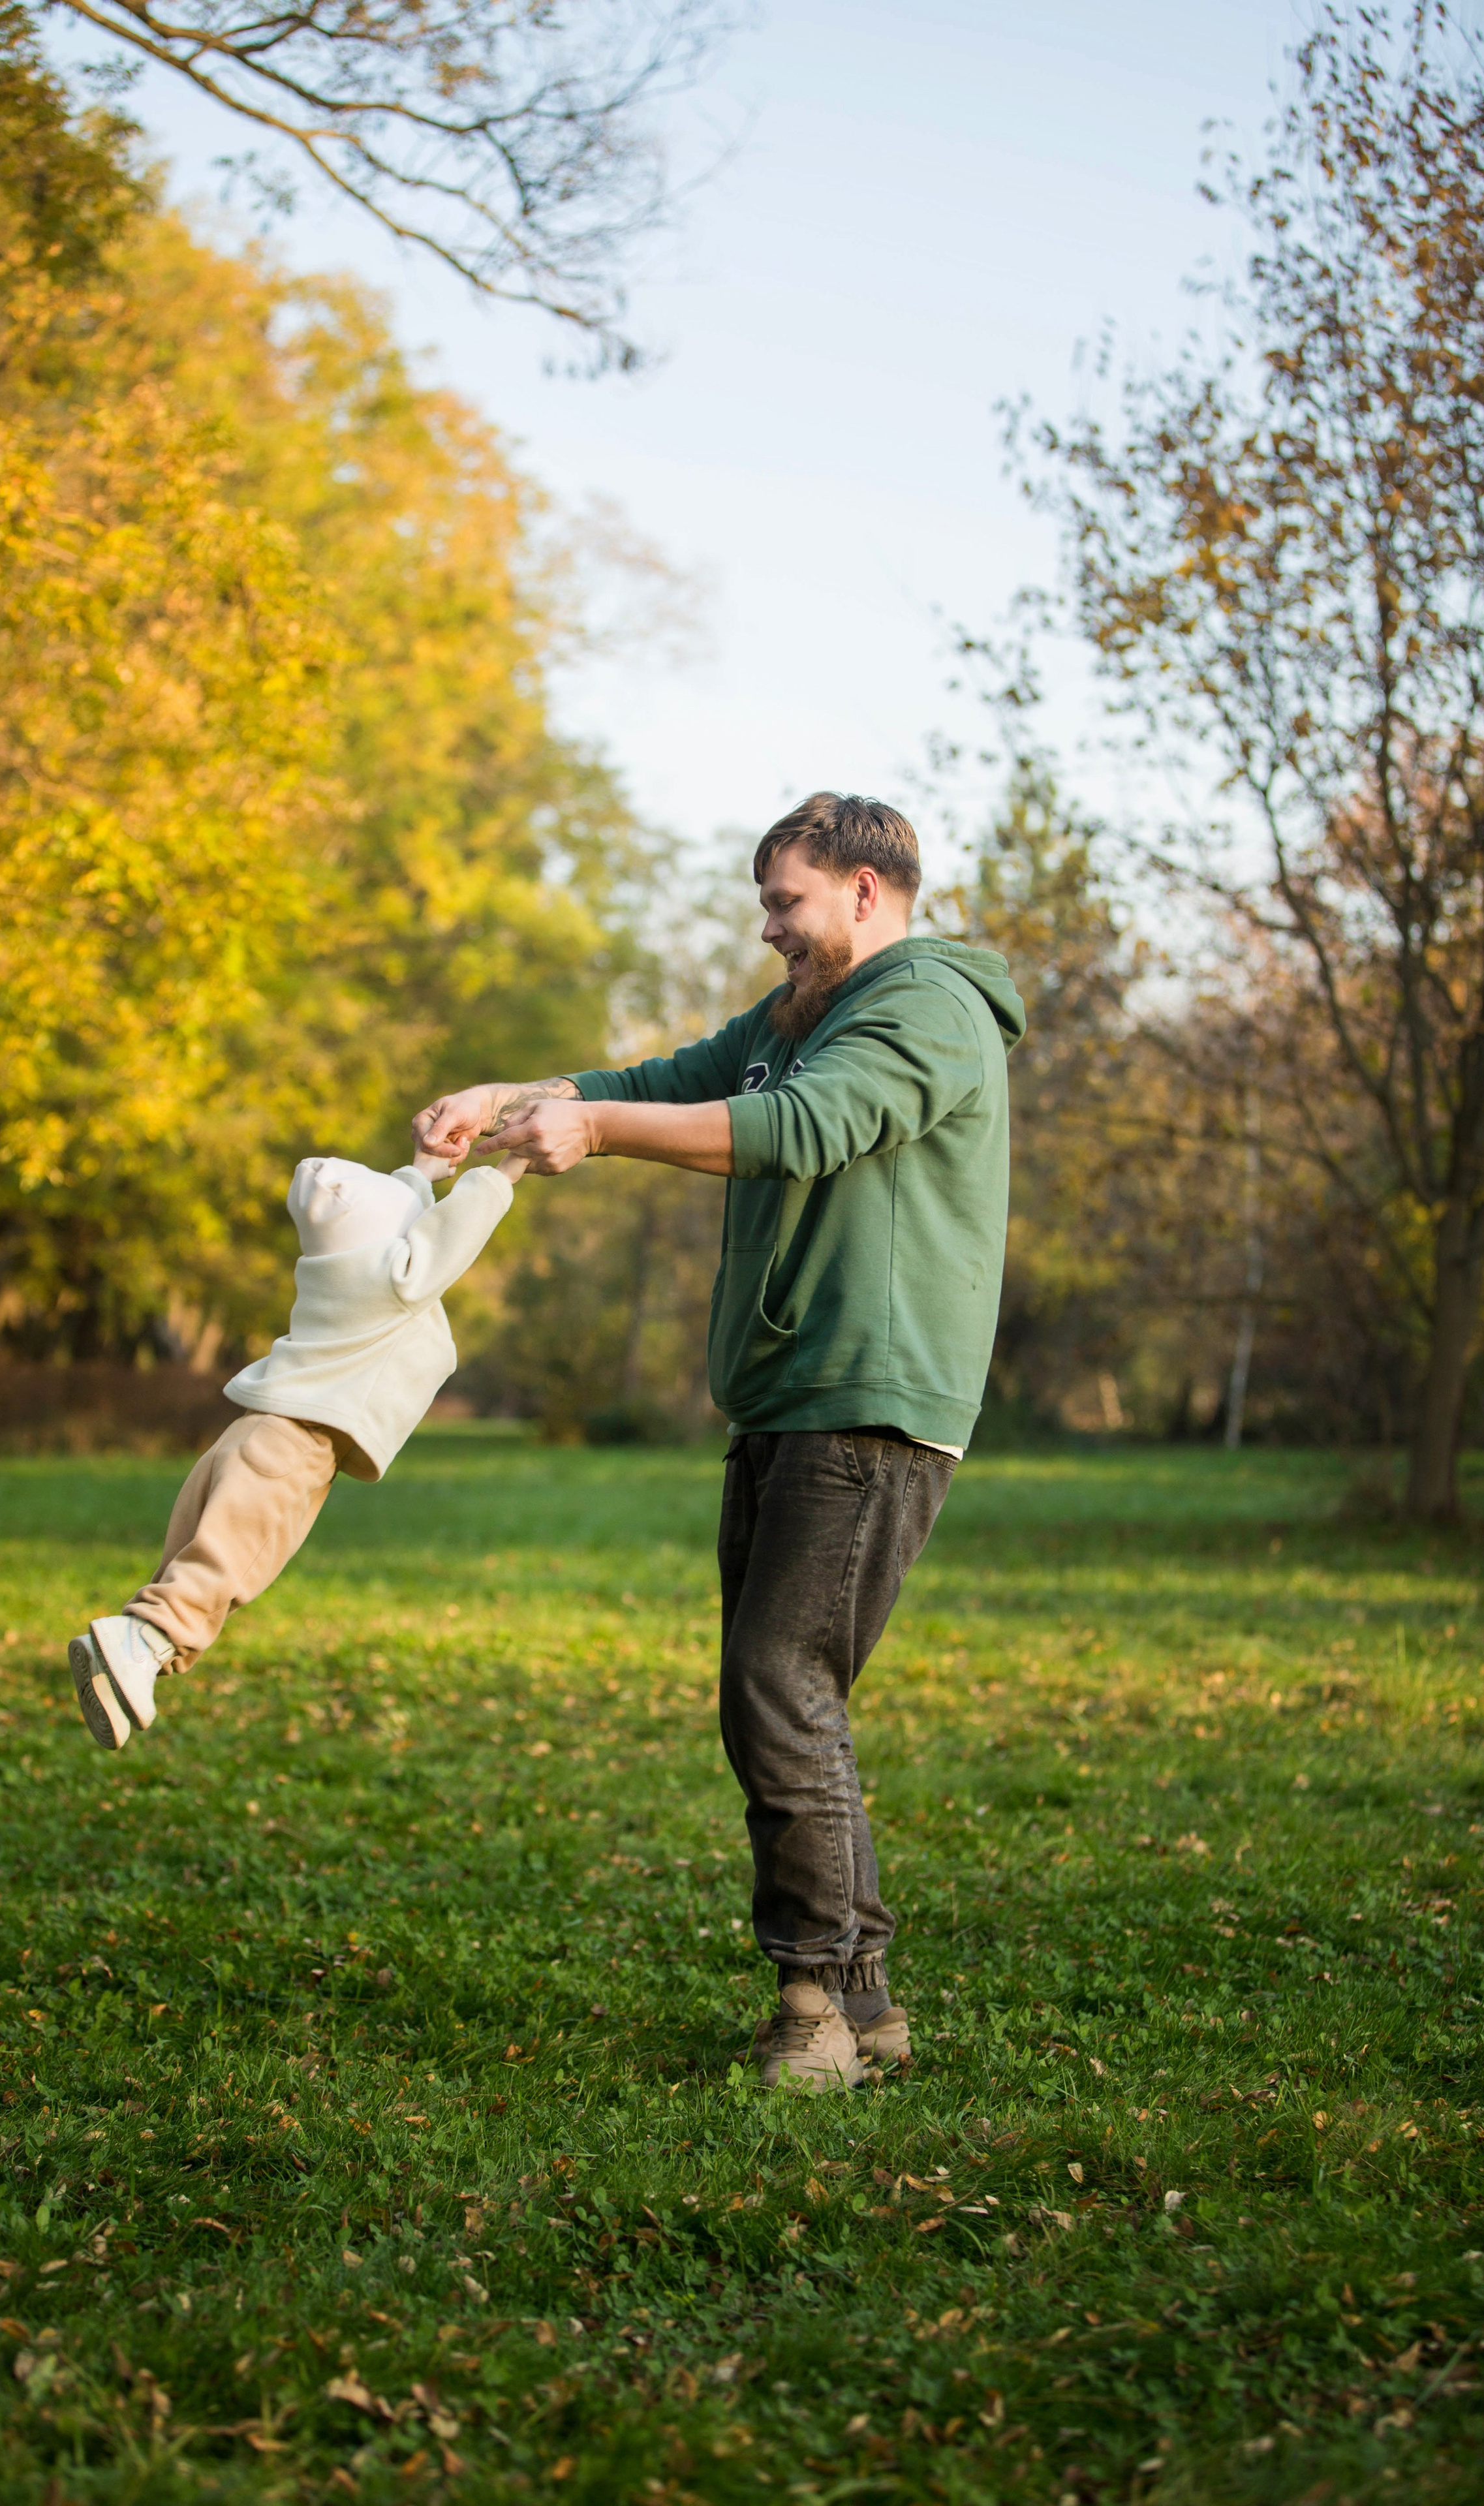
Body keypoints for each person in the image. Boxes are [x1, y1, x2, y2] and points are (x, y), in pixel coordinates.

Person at [414, 792, 1025, 2091]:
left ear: (867, 890)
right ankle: (857, 2008)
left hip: (869, 1399)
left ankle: (814, 2006)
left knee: (775, 1684)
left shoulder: (925, 1008)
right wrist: (512, 1097)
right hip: (788, 1394)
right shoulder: (797, 1017)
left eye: (785, 903)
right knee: (781, 1697)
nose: (768, 932)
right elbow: (659, 1081)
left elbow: (801, 1132)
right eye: (764, 906)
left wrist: (598, 1134)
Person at [66, 1141, 525, 1751]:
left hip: (253, 1433)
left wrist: (422, 1170)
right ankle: (139, 1644)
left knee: (194, 1566)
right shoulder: (397, 1283)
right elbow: (455, 1231)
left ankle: (132, 1657)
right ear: (397, 1245)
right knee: (225, 1570)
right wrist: (508, 1168)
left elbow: (389, 1221)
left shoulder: (339, 1270)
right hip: (297, 1448)